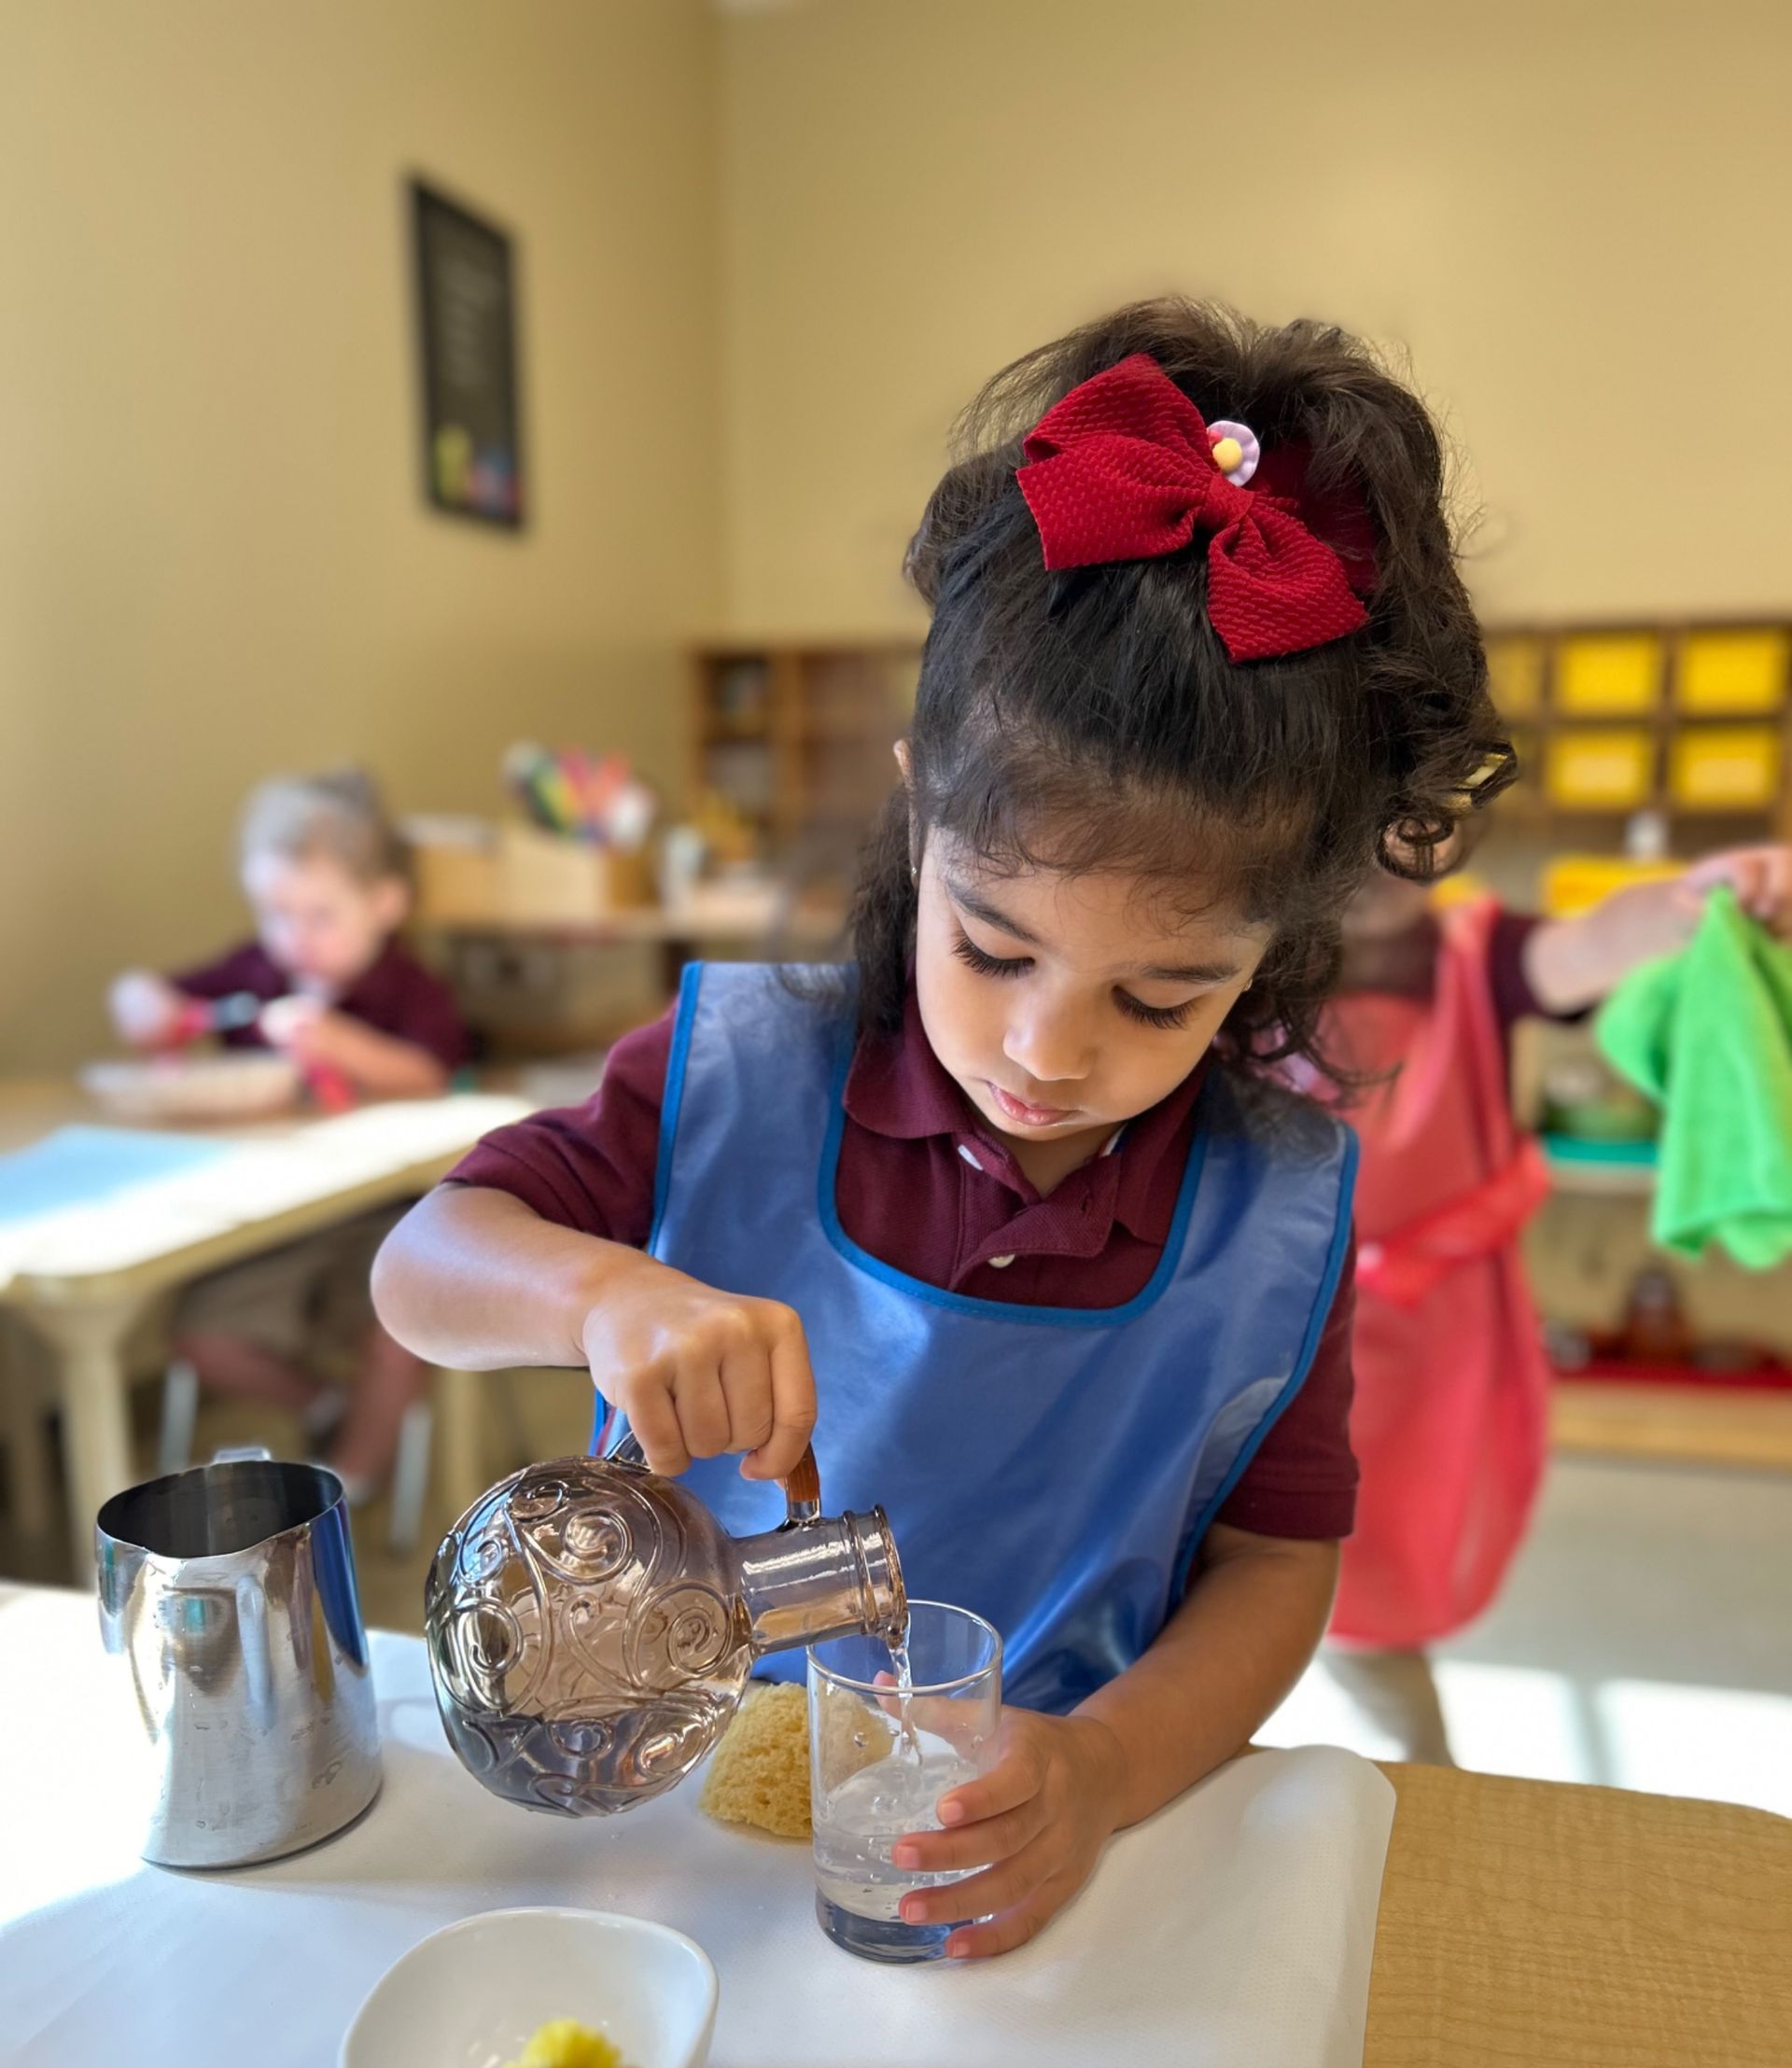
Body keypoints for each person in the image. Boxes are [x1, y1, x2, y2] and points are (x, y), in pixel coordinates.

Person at [373, 299, 1509, 1956]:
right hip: (681, 1837)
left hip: (1047, 1848)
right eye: (990, 947)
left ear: (1275, 953)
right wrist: (602, 1294)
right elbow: (422, 1268)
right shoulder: (739, 1075)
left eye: (1161, 997)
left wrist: (1104, 1770)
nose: (1047, 1053)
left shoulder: (1274, 1213)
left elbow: (1279, 1567)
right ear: (920, 816)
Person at [1313, 841, 1792, 1763]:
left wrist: (1695, 900)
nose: (1387, 863)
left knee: (1378, 1567)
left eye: (1416, 834)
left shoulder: (1476, 956)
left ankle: (1418, 1786)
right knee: (1238, 1568)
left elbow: (1593, 943)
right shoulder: (1229, 965)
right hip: (1264, 1324)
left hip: (1430, 1339)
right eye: (1350, 833)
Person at [109, 769, 469, 1497]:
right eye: (277, 914)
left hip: (385, 1214)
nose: (294, 939)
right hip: (274, 1220)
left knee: (400, 1335)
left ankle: (348, 1486)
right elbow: (155, 998)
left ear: (385, 902)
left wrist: (340, 1042)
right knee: (198, 1337)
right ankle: (323, 1406)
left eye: (319, 916)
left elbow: (431, 1072)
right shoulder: (257, 972)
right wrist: (141, 1002)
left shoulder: (409, 987)